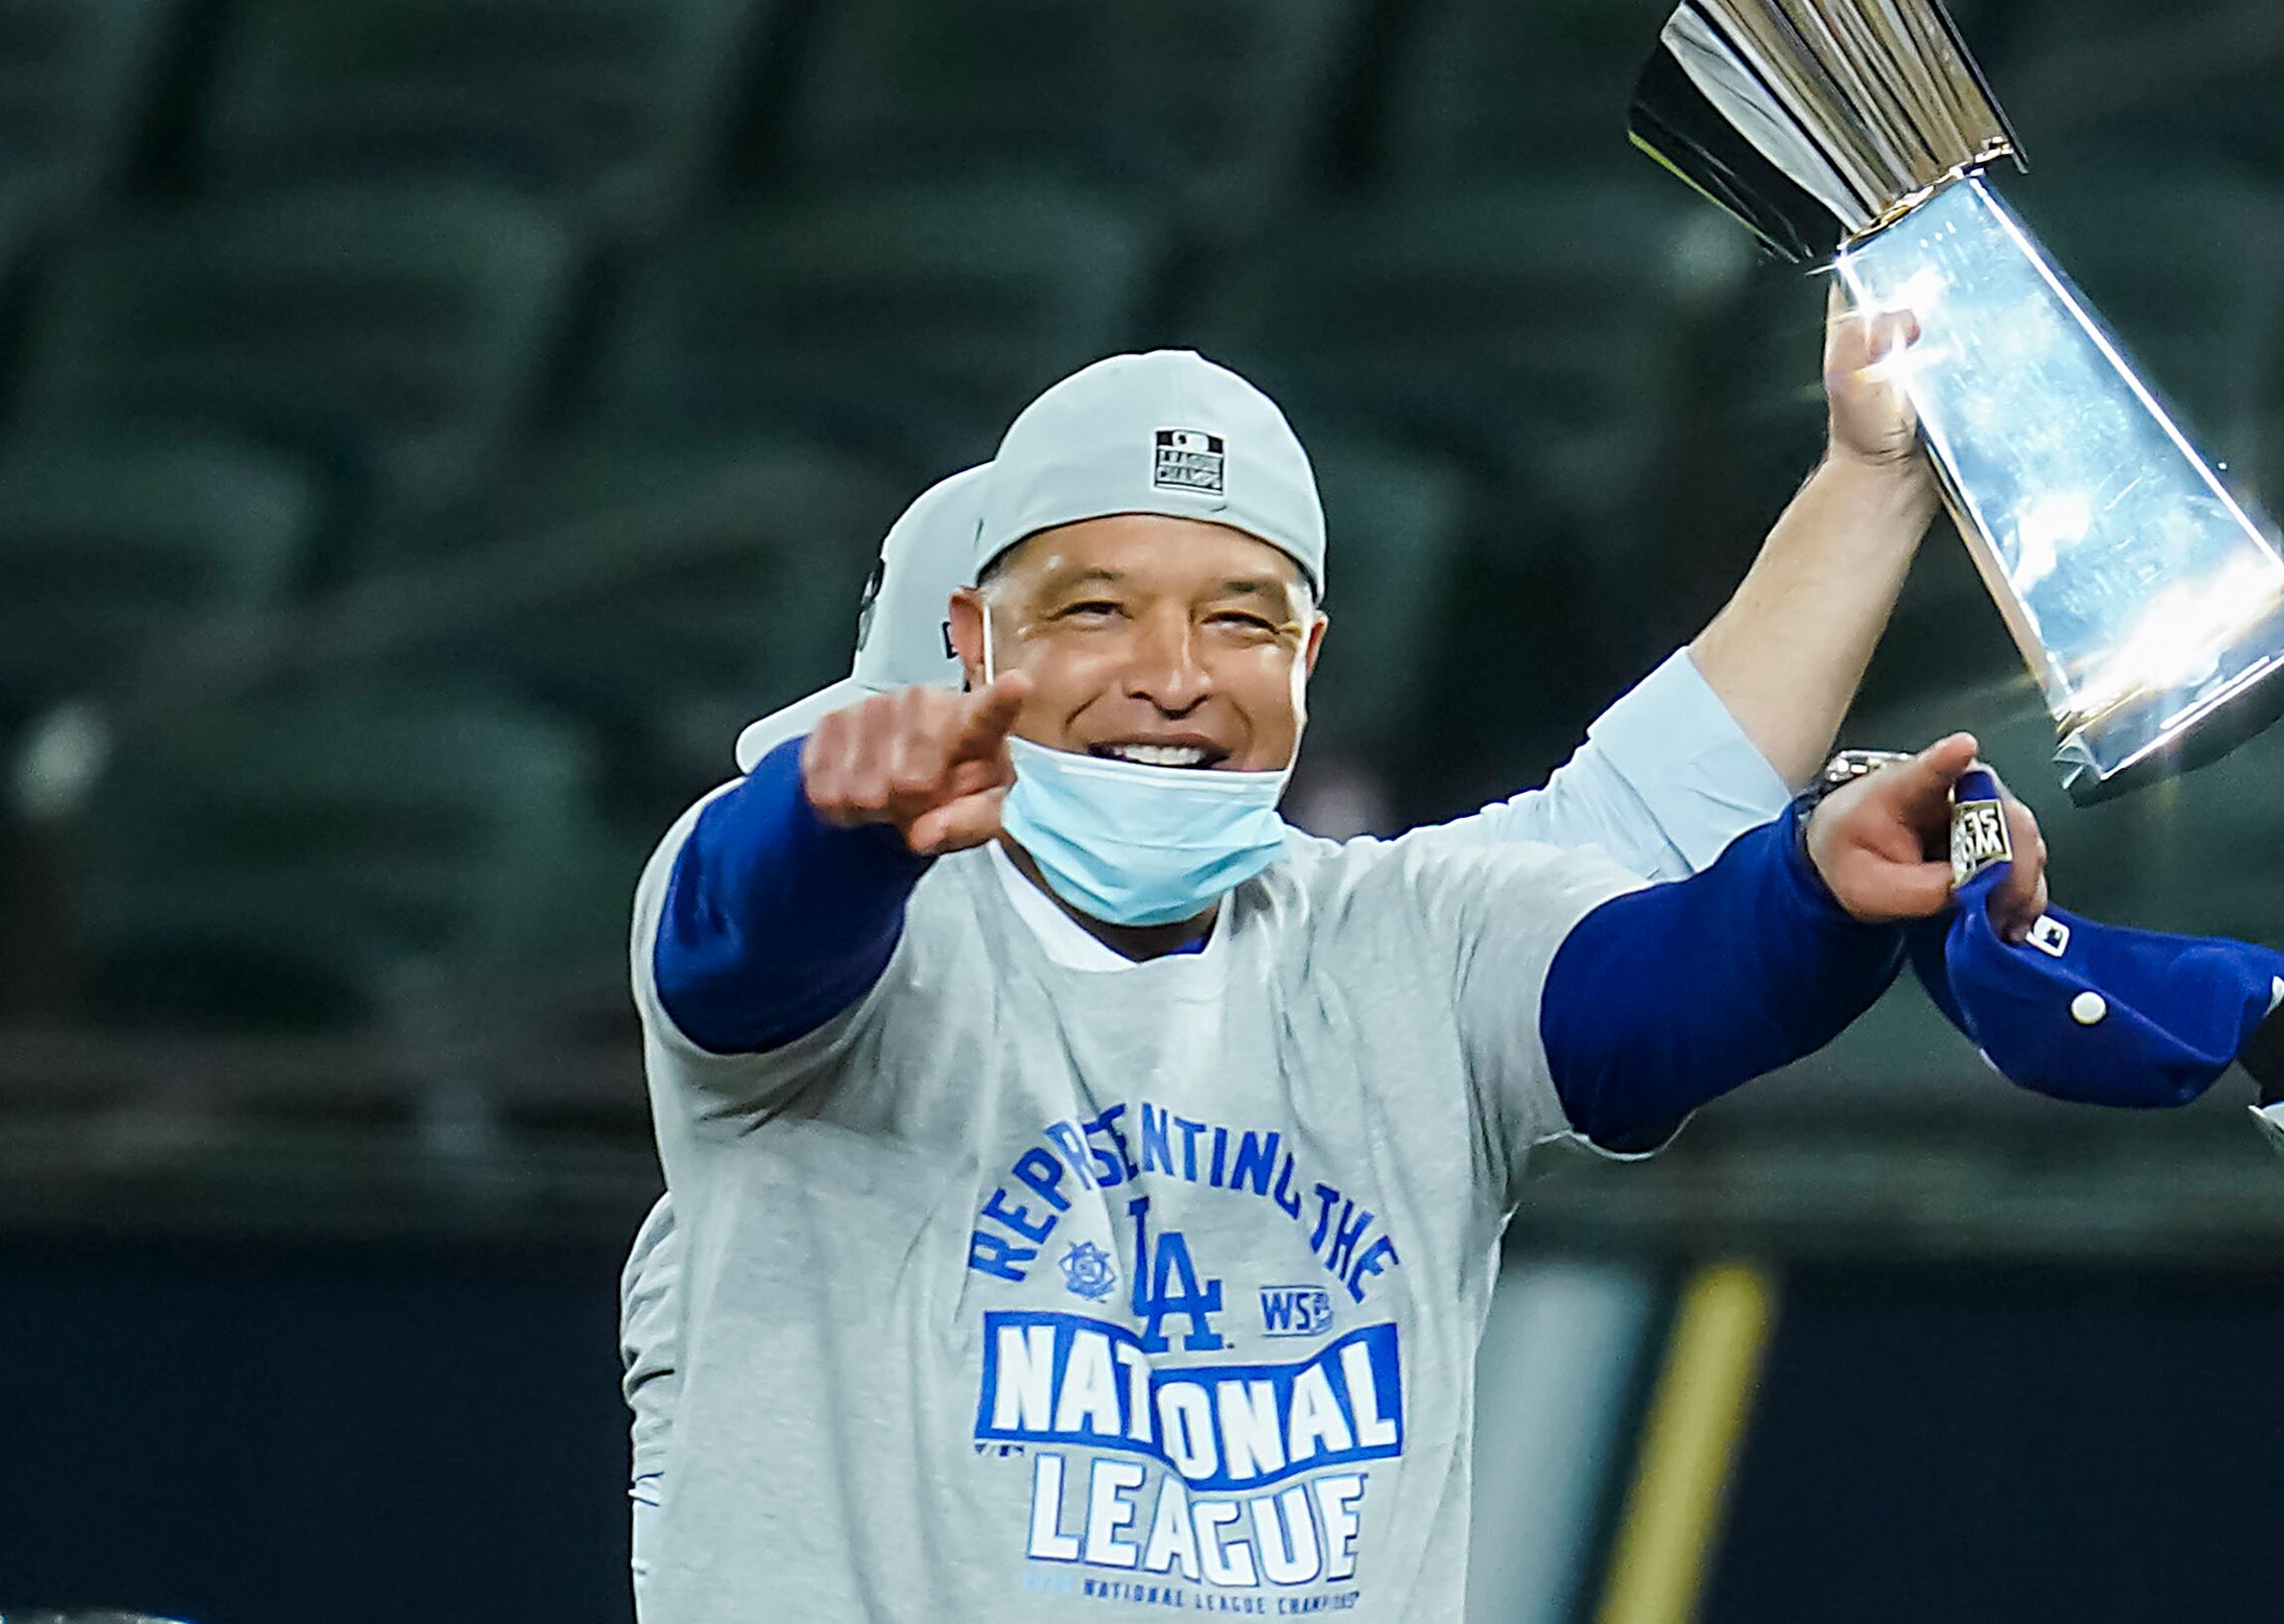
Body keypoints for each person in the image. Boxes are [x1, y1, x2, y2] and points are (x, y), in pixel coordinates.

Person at [627, 328, 2050, 1620]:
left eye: (1233, 620)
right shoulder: (821, 999)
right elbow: (741, 946)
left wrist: (1811, 889)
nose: (1170, 675)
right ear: (969, 649)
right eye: (1094, 614)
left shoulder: (1394, 939)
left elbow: (1644, 920)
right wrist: (822, 830)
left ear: (1311, 655)